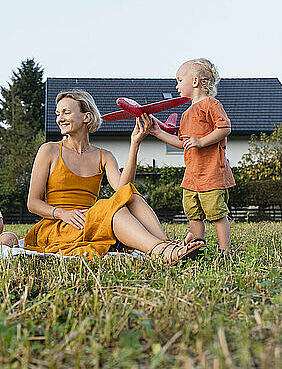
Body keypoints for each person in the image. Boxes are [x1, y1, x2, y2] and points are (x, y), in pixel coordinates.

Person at [25, 89, 204, 263]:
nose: (59, 119)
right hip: (59, 226)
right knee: (110, 208)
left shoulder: (105, 156)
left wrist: (135, 144)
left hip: (93, 222)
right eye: (58, 113)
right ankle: (160, 250)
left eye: (66, 112)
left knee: (131, 195)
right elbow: (33, 203)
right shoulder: (49, 150)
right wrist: (63, 213)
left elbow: (123, 191)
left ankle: (166, 245)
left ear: (86, 117)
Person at [149, 58, 235, 253]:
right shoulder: (187, 113)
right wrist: (157, 132)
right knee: (193, 213)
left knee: (216, 213)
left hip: (212, 173)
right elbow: (183, 144)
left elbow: (225, 127)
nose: (176, 85)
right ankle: (198, 244)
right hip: (192, 176)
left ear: (195, 81)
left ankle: (225, 251)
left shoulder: (210, 104)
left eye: (179, 80)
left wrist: (201, 141)